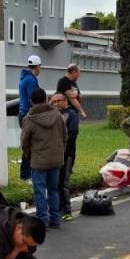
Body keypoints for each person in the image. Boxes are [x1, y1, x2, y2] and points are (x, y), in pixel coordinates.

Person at [22, 89, 67, 228]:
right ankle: (55, 219)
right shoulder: (58, 115)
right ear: (47, 99)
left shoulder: (29, 119)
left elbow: (24, 142)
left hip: (38, 160)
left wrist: (29, 155)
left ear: (31, 101)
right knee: (53, 189)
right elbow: (65, 136)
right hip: (56, 159)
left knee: (40, 191)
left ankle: (42, 221)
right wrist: (60, 152)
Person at [56, 65, 85, 221]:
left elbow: (72, 134)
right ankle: (58, 209)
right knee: (57, 182)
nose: (55, 104)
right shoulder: (64, 82)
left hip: (67, 153)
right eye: (53, 101)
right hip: (58, 154)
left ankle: (66, 210)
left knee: (63, 182)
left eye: (57, 101)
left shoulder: (70, 115)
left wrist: (64, 149)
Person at [17, 55, 42, 181]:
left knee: (28, 144)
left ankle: (26, 173)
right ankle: (26, 174)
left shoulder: (24, 78)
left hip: (23, 114)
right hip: (29, 115)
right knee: (30, 146)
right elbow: (35, 100)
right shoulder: (31, 81)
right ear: (38, 67)